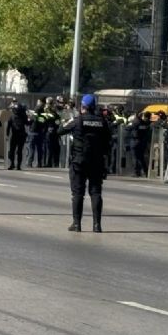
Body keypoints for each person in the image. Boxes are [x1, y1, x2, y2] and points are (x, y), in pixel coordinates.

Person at [58, 94, 111, 233]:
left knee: (77, 193)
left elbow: (60, 131)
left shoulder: (78, 120)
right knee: (96, 192)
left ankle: (77, 224)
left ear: (83, 106)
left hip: (79, 161)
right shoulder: (103, 122)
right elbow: (108, 142)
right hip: (97, 162)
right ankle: (97, 225)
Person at [127, 111, 152, 177]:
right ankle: (145, 171)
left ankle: (136, 172)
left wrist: (129, 123)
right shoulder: (144, 123)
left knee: (134, 157)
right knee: (141, 157)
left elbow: (128, 128)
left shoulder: (135, 122)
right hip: (142, 141)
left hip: (135, 141)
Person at [6, 104, 28, 170]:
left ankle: (15, 164)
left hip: (17, 136)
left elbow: (8, 126)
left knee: (15, 151)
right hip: (18, 135)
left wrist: (7, 135)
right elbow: (9, 126)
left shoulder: (13, 116)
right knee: (17, 151)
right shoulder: (21, 116)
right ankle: (16, 165)